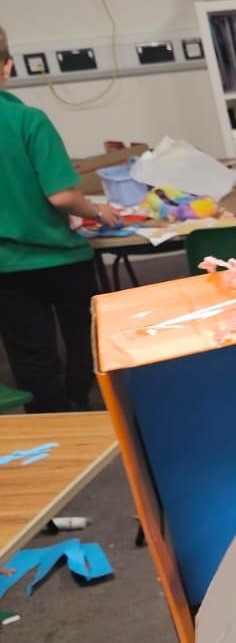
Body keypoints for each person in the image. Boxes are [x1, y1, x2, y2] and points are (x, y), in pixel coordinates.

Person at [0, 26, 121, 411]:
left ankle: (53, 423)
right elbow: (63, 196)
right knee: (84, 337)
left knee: (30, 355)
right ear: (7, 66)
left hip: (6, 268)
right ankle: (82, 402)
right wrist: (98, 211)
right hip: (59, 258)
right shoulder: (27, 120)